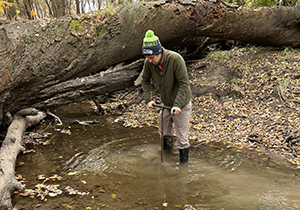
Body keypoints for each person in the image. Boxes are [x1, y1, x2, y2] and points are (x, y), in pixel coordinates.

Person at [141, 30, 192, 163]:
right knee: (164, 132)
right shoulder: (149, 63)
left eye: (152, 57)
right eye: (147, 58)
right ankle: (167, 159)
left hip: (182, 104)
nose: (150, 61)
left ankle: (183, 169)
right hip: (165, 103)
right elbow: (145, 80)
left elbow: (184, 84)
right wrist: (148, 99)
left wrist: (178, 105)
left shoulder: (175, 59)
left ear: (159, 52)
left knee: (182, 138)